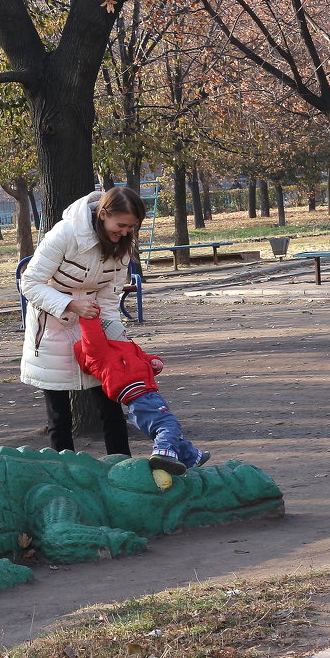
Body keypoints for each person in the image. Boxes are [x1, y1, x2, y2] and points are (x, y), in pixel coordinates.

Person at [19, 186, 145, 455]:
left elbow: (110, 298)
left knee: (111, 404)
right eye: (120, 225)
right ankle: (65, 476)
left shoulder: (123, 245)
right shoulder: (65, 233)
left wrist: (116, 341)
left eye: (130, 227)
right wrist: (70, 304)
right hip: (52, 328)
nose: (124, 232)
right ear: (103, 214)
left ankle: (121, 467)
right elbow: (29, 282)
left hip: (93, 329)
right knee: (59, 416)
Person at [75, 313, 209, 475]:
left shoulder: (125, 348)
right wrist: (89, 312)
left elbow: (141, 357)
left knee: (160, 427)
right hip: (139, 394)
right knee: (168, 424)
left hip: (142, 395)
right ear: (111, 339)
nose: (127, 337)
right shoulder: (102, 352)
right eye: (123, 334)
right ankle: (163, 453)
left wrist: (153, 362)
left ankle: (190, 456)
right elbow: (92, 335)